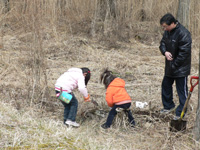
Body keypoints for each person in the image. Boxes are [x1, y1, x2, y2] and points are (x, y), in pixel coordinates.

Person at [159, 13, 192, 120]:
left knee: (181, 91)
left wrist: (174, 65)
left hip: (180, 69)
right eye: (163, 27)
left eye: (165, 26)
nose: (164, 29)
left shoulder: (184, 33)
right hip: (169, 67)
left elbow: (184, 53)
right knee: (166, 86)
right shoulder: (167, 33)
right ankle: (168, 106)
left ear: (172, 23)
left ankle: (181, 111)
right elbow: (162, 43)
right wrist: (165, 52)